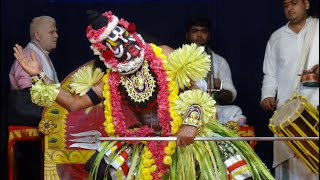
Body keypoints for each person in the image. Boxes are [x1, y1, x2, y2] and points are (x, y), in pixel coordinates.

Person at [13, 10, 274, 179]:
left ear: (131, 33)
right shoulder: (112, 78)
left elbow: (197, 94)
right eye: (113, 45)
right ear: (106, 53)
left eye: (123, 38)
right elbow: (73, 102)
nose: (122, 47)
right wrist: (38, 75)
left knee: (235, 173)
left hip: (186, 136)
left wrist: (190, 124)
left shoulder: (164, 55)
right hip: (143, 141)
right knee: (101, 169)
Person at [260, 0, 319, 179]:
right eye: (285, 5)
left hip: (315, 107)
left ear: (306, 4)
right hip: (286, 112)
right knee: (289, 167)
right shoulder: (276, 37)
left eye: (294, 3)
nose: (289, 9)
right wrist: (267, 95)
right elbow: (270, 73)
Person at [185, 16, 249, 127]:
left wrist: (219, 87)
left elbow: (230, 96)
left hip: (212, 110)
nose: (199, 35)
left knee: (235, 111)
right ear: (187, 35)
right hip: (185, 109)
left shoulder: (219, 61)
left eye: (203, 31)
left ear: (208, 35)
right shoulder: (178, 57)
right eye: (195, 31)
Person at [8, 15, 59, 126]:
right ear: (38, 35)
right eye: (51, 32)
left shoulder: (42, 55)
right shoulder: (28, 56)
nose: (56, 35)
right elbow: (29, 96)